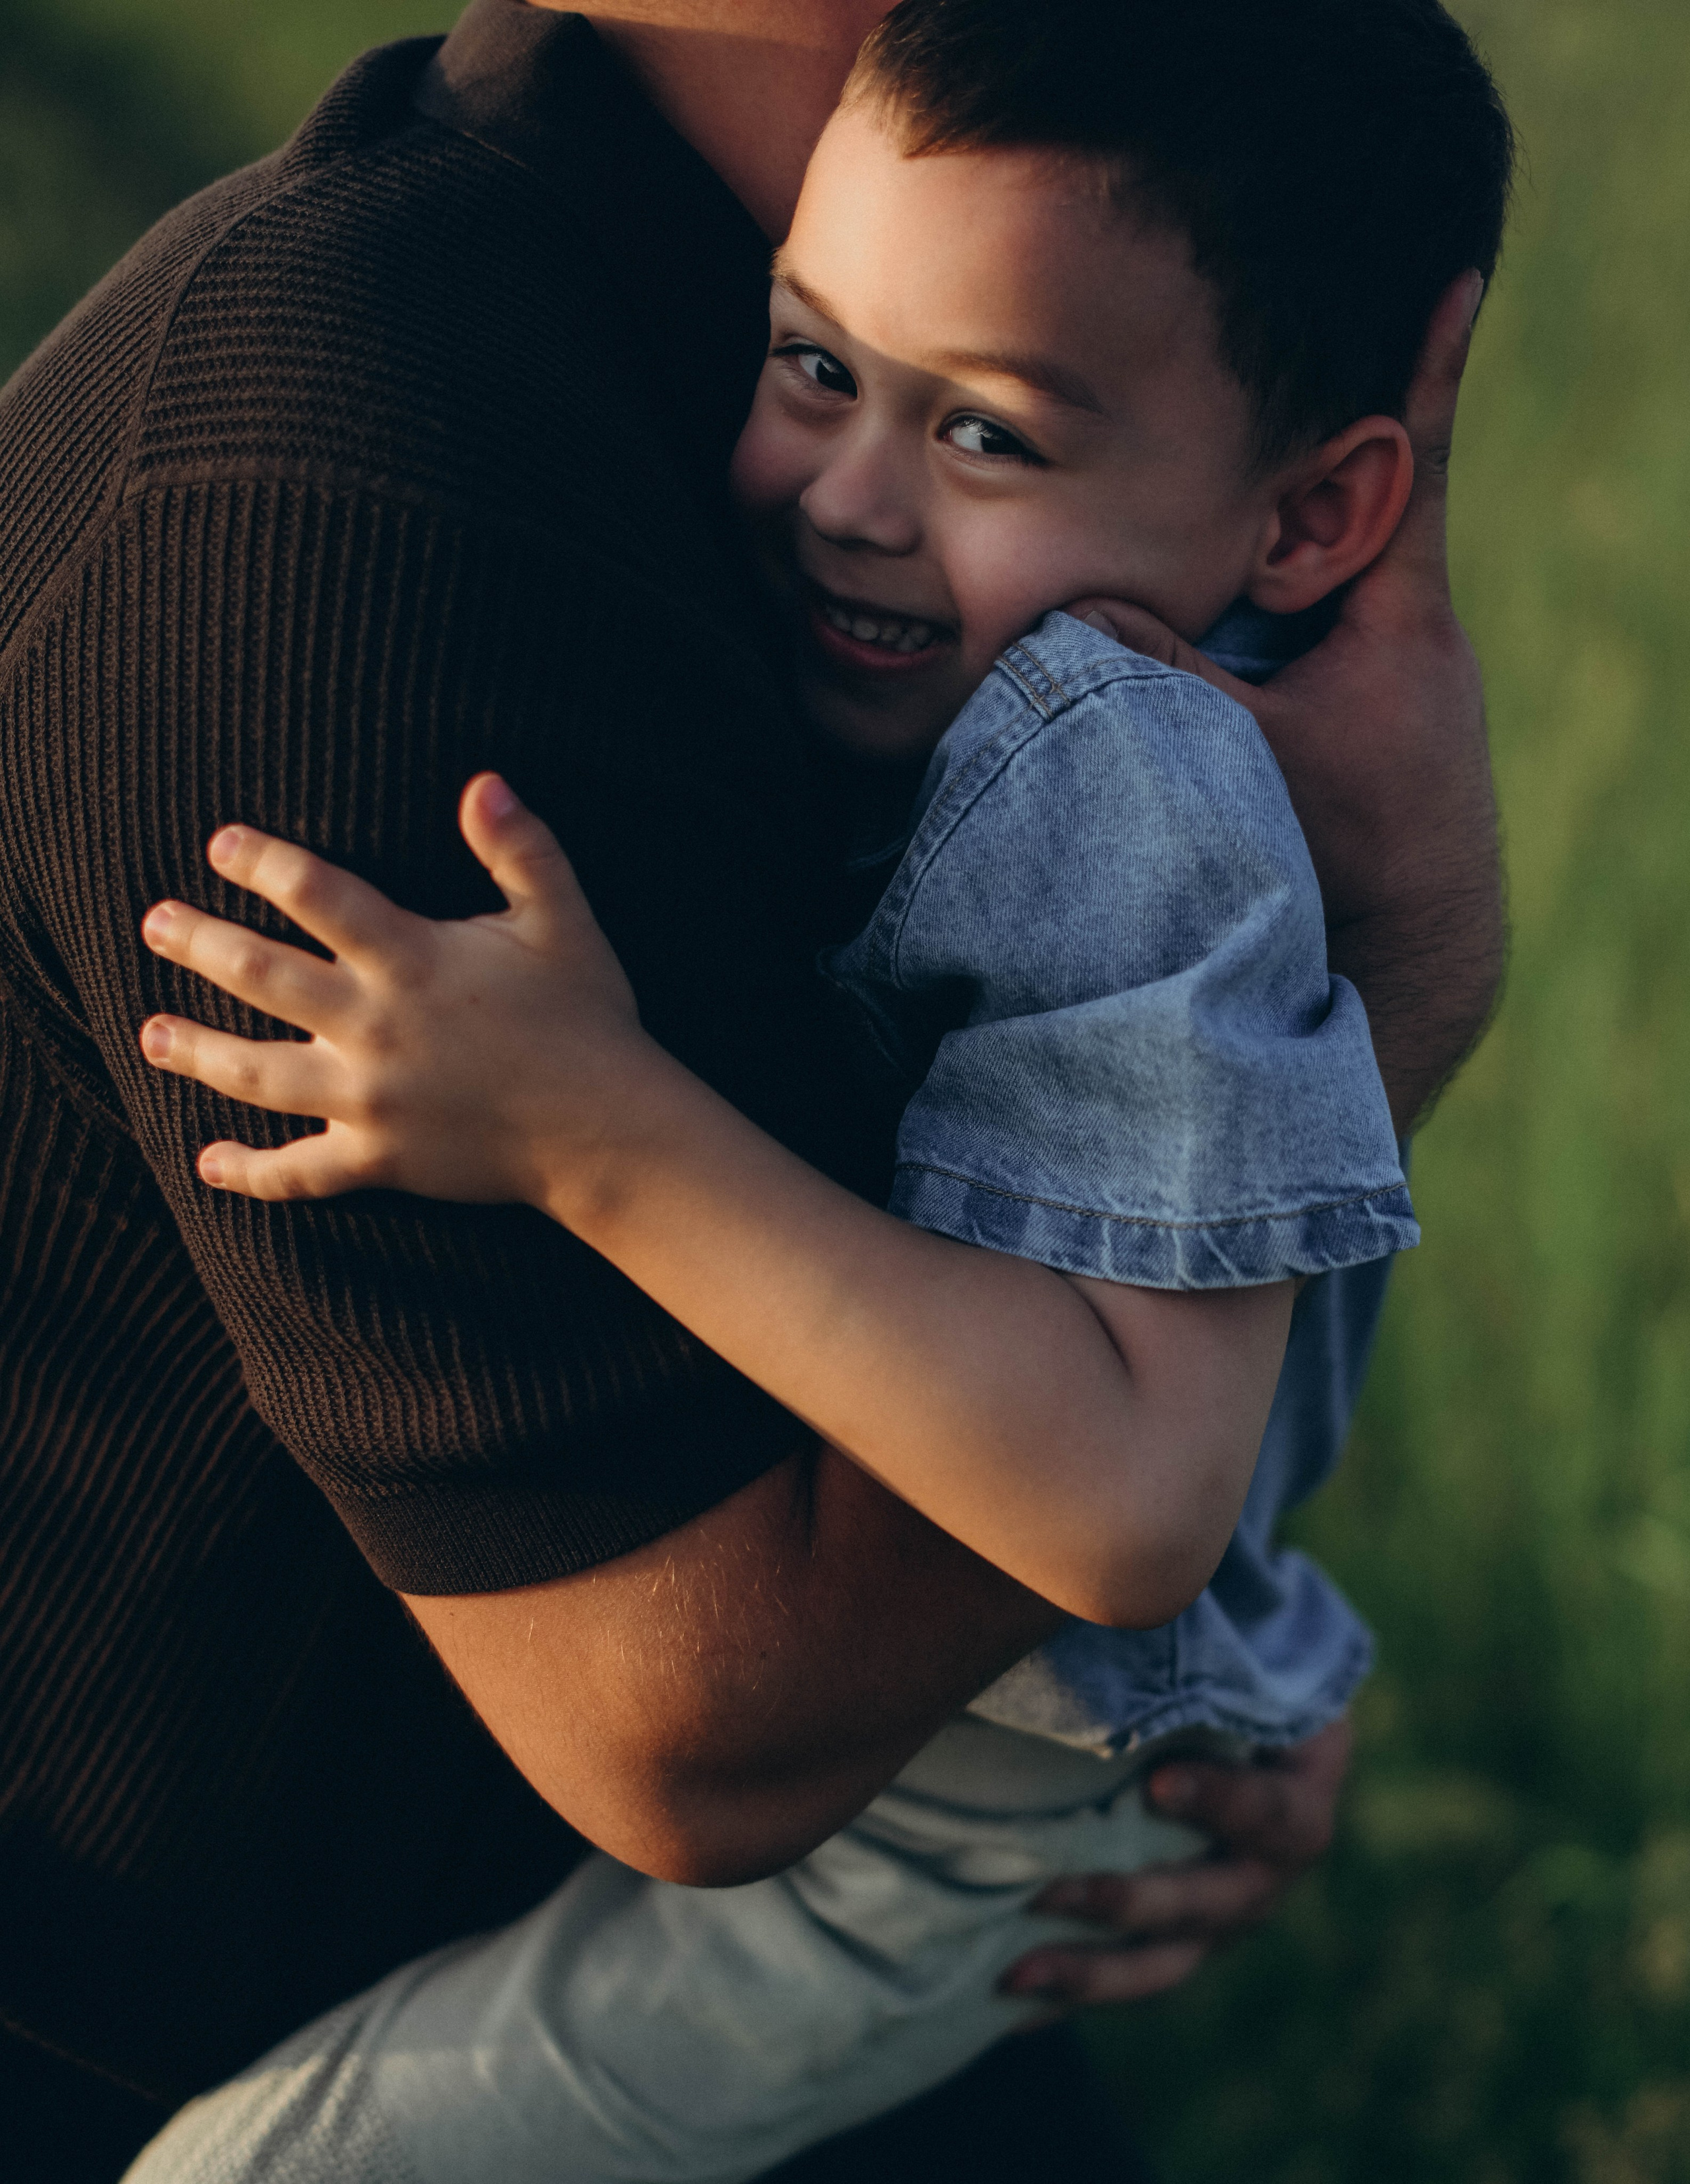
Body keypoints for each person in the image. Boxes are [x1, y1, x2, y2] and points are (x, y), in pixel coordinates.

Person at [0, 0, 1501, 2175]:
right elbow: (710, 1727)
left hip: (885, 1815)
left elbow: (1117, 1493)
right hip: (191, 1975)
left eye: (982, 429)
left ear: (1311, 507)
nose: (849, 498)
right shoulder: (370, 454)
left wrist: (600, 1130)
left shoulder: (1117, 734)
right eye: (810, 367)